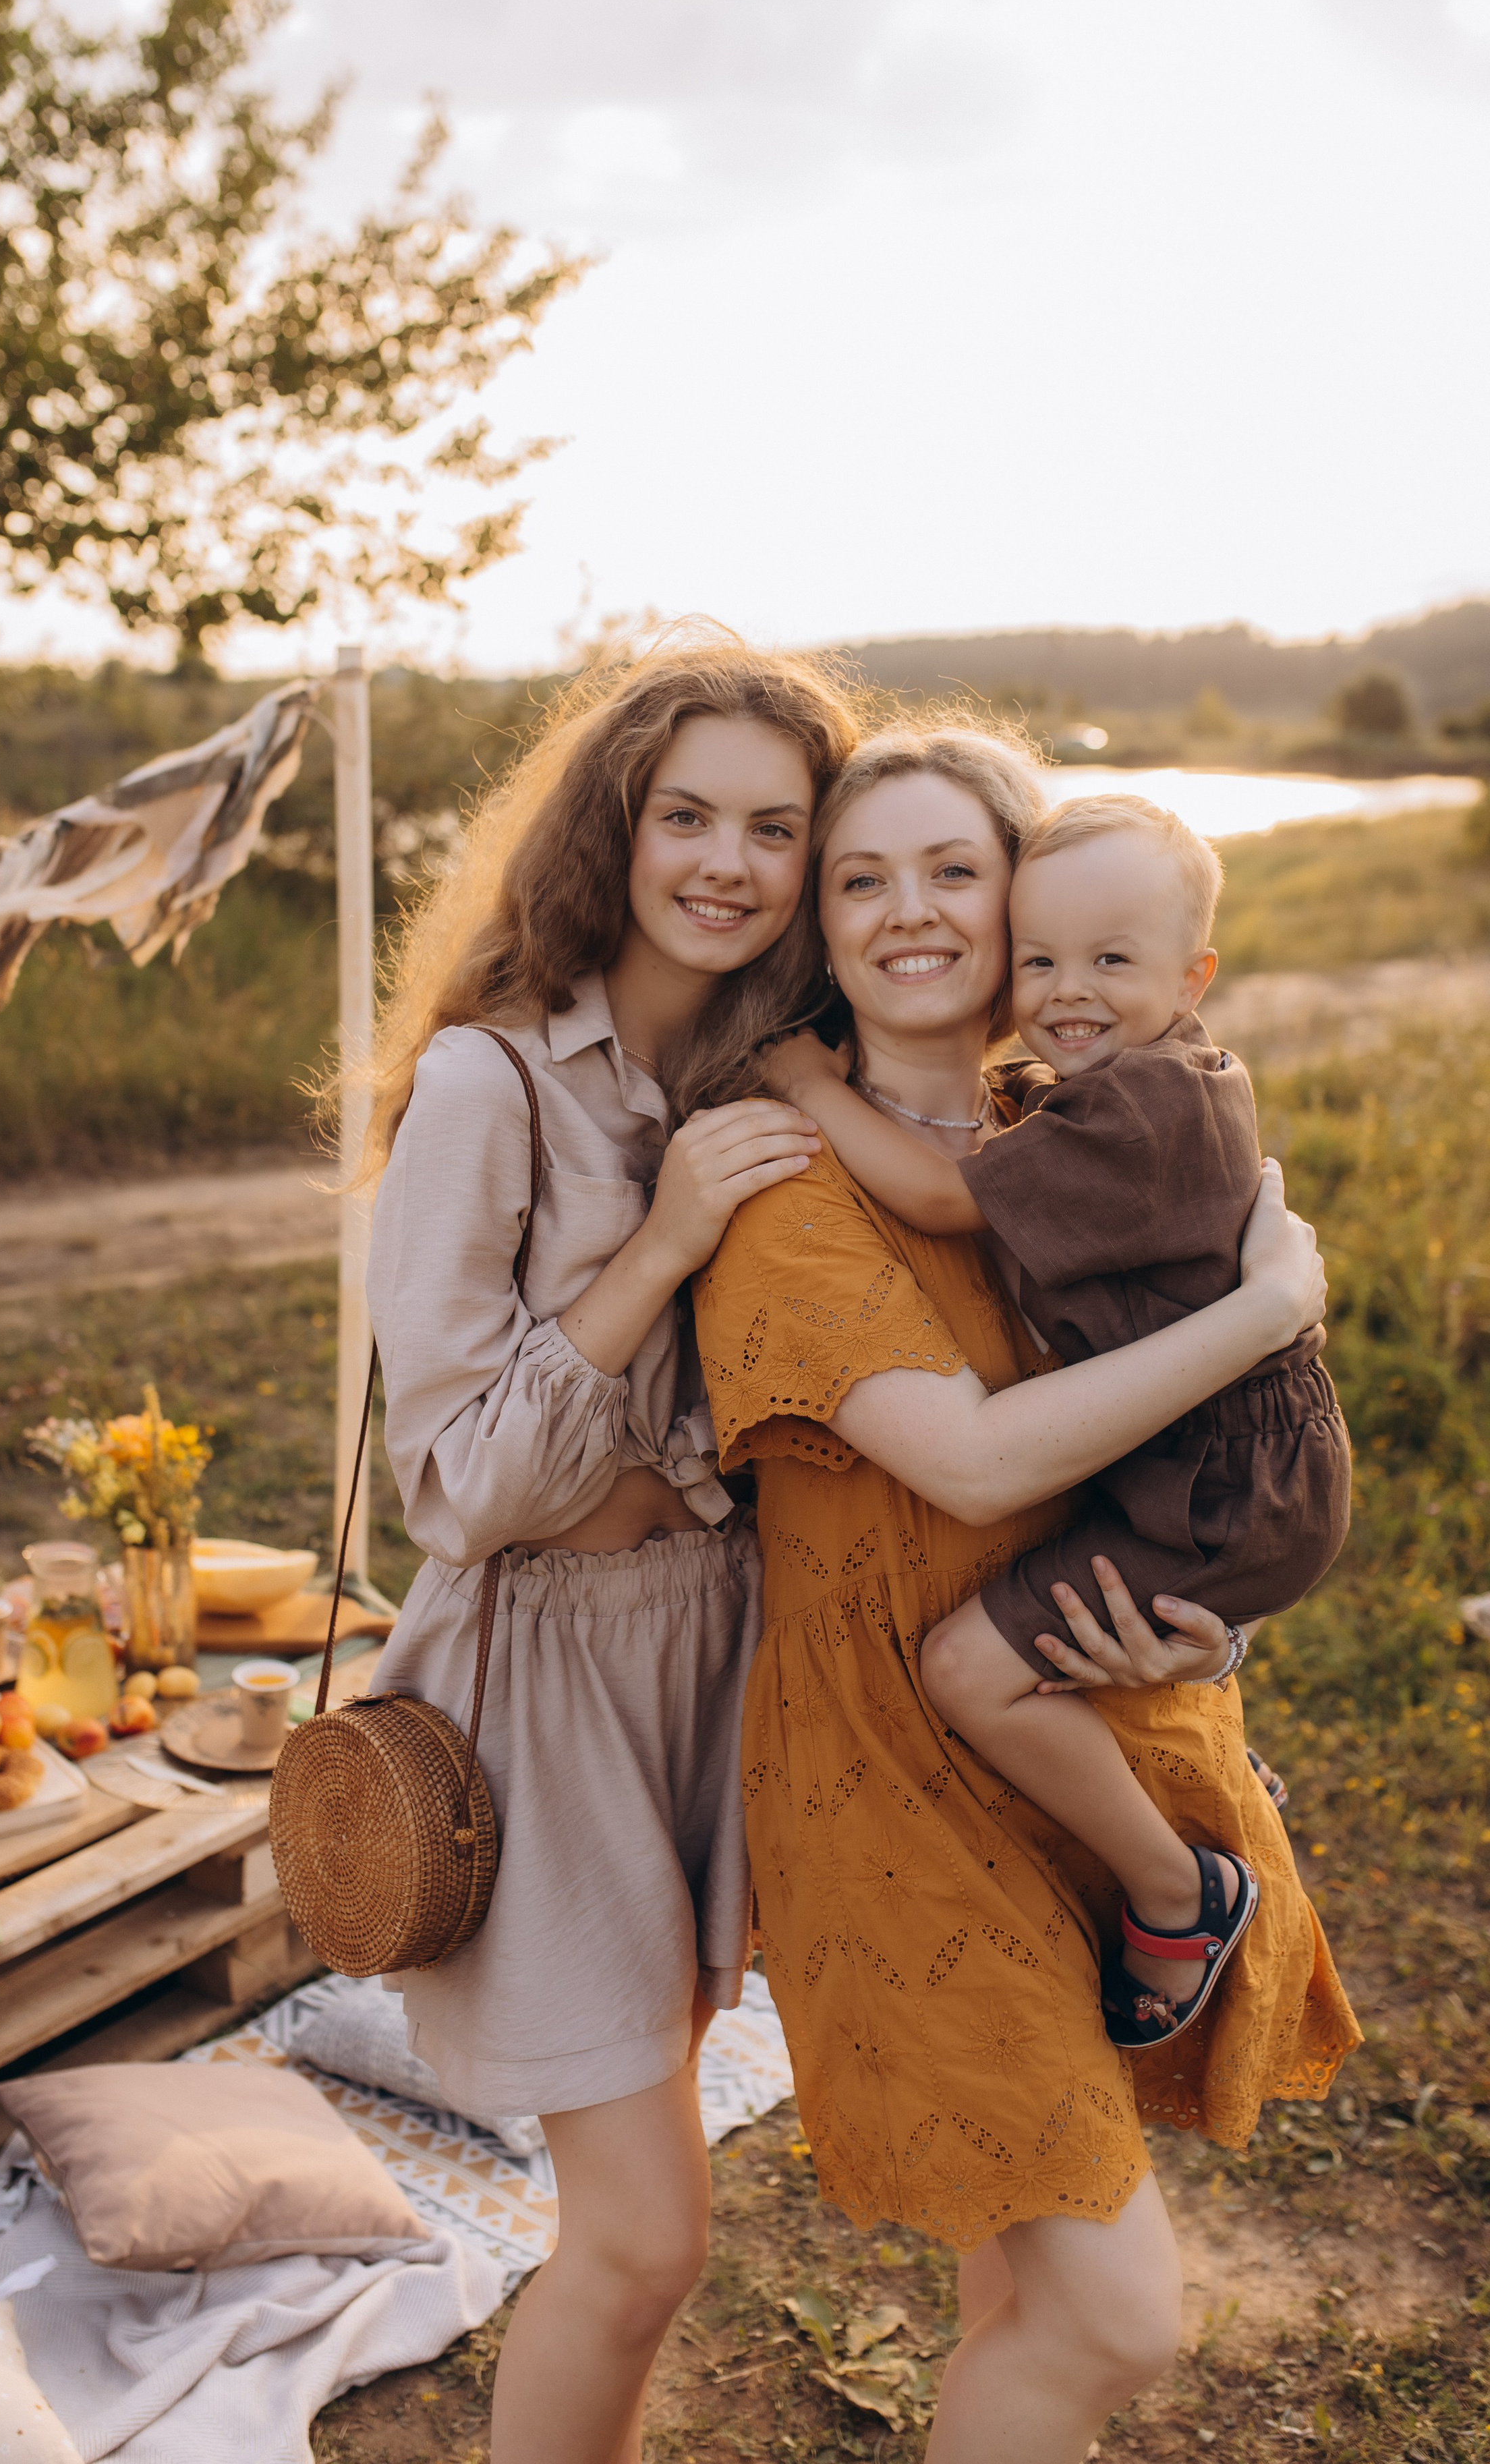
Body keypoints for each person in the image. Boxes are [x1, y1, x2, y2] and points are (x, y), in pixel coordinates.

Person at [692, 719, 1359, 2464]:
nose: (909, 911)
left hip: (1081, 1714)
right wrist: (1269, 1312)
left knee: (1029, 2283)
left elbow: (1189, 1452)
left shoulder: (1055, 1124)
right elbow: (982, 1466)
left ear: (1017, 902)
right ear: (817, 928)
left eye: (952, 871)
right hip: (903, 1778)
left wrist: (1226, 1610)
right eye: (859, 876)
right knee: (1119, 2310)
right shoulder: (789, 1186)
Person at [348, 631, 858, 2464]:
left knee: (644, 2230)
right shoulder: (496, 1084)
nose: (728, 862)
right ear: (615, 830)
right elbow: (461, 1487)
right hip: (544, 1687)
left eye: (776, 827)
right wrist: (656, 1253)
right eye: (688, 815)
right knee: (646, 2236)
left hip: (706, 1665)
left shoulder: (776, 1068)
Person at [764, 791, 1352, 2046]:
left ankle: (1178, 1888)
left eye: (1110, 960)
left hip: (1220, 1483)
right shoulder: (1116, 1082)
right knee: (1070, 1634)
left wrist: (809, 1079)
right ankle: (1182, 1783)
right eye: (1042, 960)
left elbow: (932, 1189)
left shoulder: (1142, 1107)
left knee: (975, 1668)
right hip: (1214, 1461)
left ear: (1194, 974)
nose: (1068, 990)